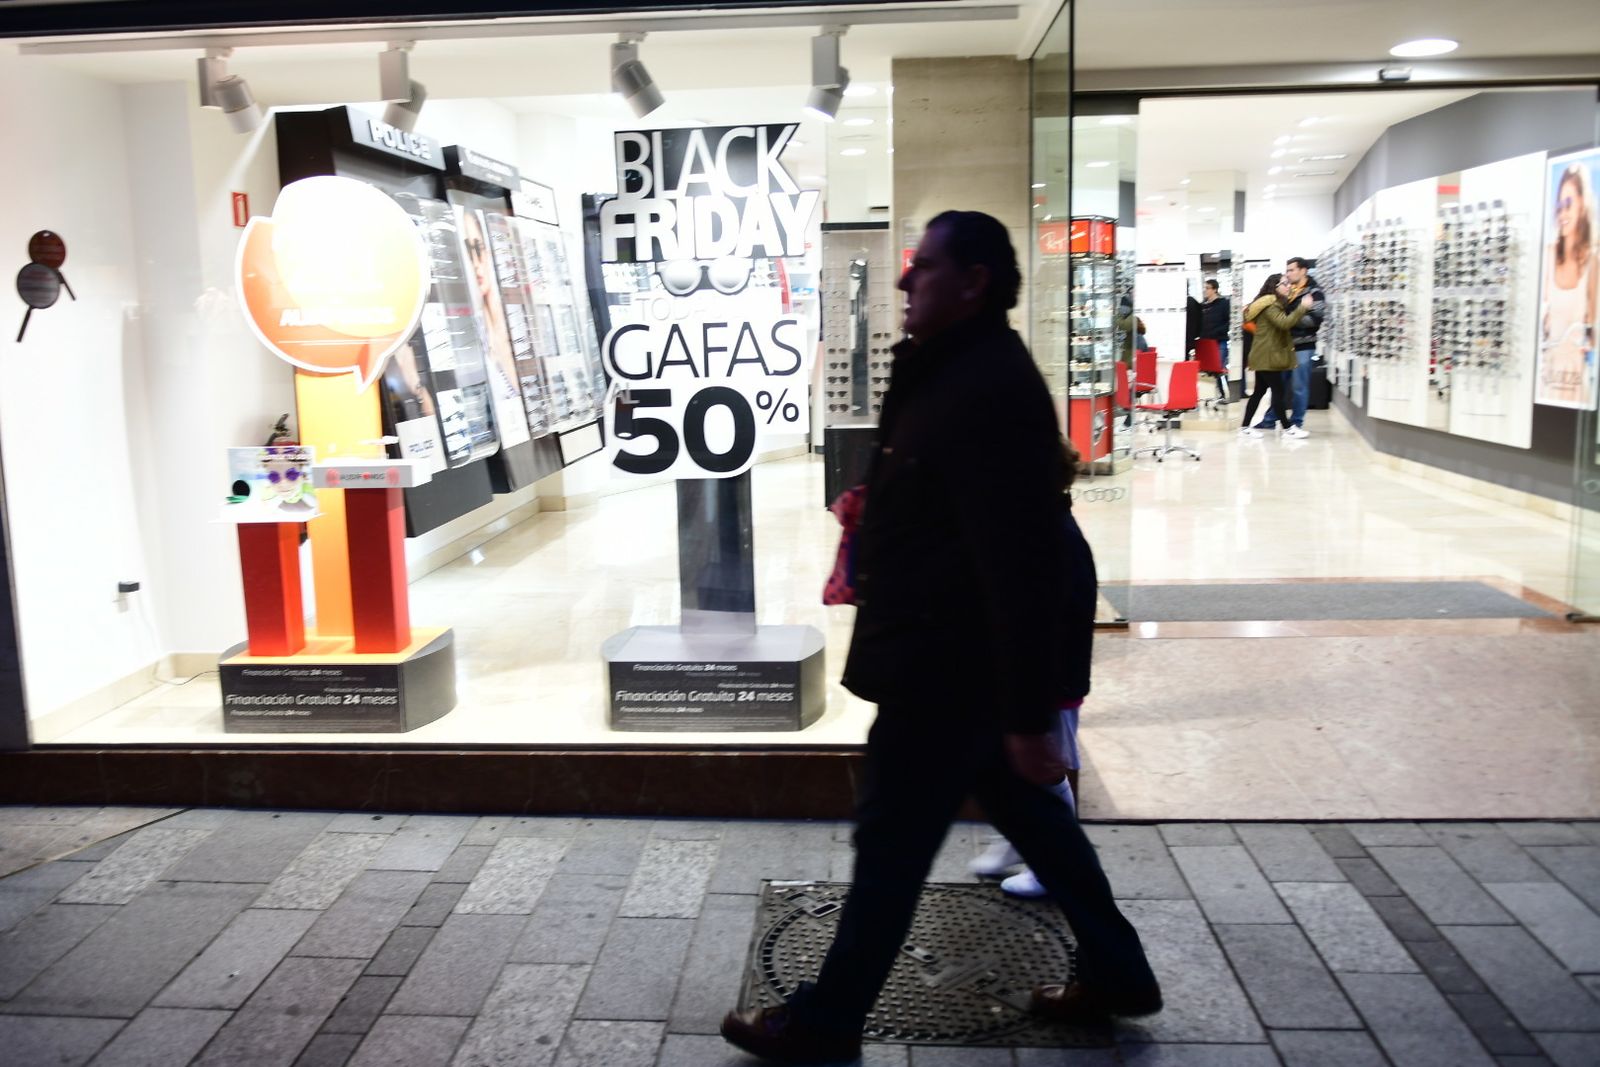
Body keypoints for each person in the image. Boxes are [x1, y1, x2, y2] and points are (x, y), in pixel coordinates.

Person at [720, 211, 1162, 1065]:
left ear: (973, 283)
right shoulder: (949, 369)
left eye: (921, 266)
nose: (900, 280)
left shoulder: (990, 387)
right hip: (949, 658)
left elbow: (1023, 561)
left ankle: (827, 1019)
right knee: (1037, 824)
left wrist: (1032, 713)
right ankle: (1118, 969)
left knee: (890, 844)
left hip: (947, 667)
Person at [1539, 162, 1598, 407]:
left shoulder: (1593, 261)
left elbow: (1593, 327)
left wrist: (1588, 344)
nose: (1562, 213)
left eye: (1569, 204)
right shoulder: (1550, 255)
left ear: (1583, 205)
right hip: (1547, 376)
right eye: (1559, 205)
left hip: (1576, 380)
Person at [1255, 256, 1325, 434]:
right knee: (1278, 386)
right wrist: (1293, 316)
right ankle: (1270, 419)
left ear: (1303, 270)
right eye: (1287, 270)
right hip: (1283, 346)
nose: (1288, 273)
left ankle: (1296, 423)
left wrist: (1290, 320)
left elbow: (1315, 319)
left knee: (1299, 387)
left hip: (1303, 346)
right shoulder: (1287, 290)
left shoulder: (1314, 292)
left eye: (1292, 270)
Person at [1239, 273, 1313, 439]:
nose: (1288, 286)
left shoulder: (1270, 303)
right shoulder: (1271, 305)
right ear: (1275, 286)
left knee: (1259, 391)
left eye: (1288, 283)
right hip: (1267, 356)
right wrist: (1302, 307)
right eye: (1284, 284)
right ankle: (1287, 429)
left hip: (1264, 354)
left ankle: (1244, 427)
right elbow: (1284, 323)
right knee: (1278, 391)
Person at [1199, 278, 1231, 401]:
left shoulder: (1223, 303)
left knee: (1220, 368)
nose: (1205, 291)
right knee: (1210, 370)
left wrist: (1218, 331)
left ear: (1215, 289)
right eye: (1205, 288)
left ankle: (1226, 394)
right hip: (1207, 342)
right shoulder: (1203, 306)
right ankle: (1220, 394)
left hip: (1219, 341)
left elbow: (1228, 321)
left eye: (1208, 288)